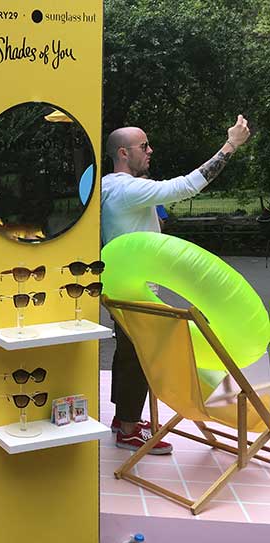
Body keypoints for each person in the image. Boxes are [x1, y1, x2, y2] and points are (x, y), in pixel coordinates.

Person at [102, 115, 251, 454]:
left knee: (129, 353)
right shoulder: (127, 189)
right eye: (144, 146)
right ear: (124, 153)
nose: (150, 151)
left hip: (120, 287)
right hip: (135, 292)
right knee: (143, 358)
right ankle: (129, 429)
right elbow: (185, 187)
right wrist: (231, 145)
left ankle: (124, 419)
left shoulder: (108, 185)